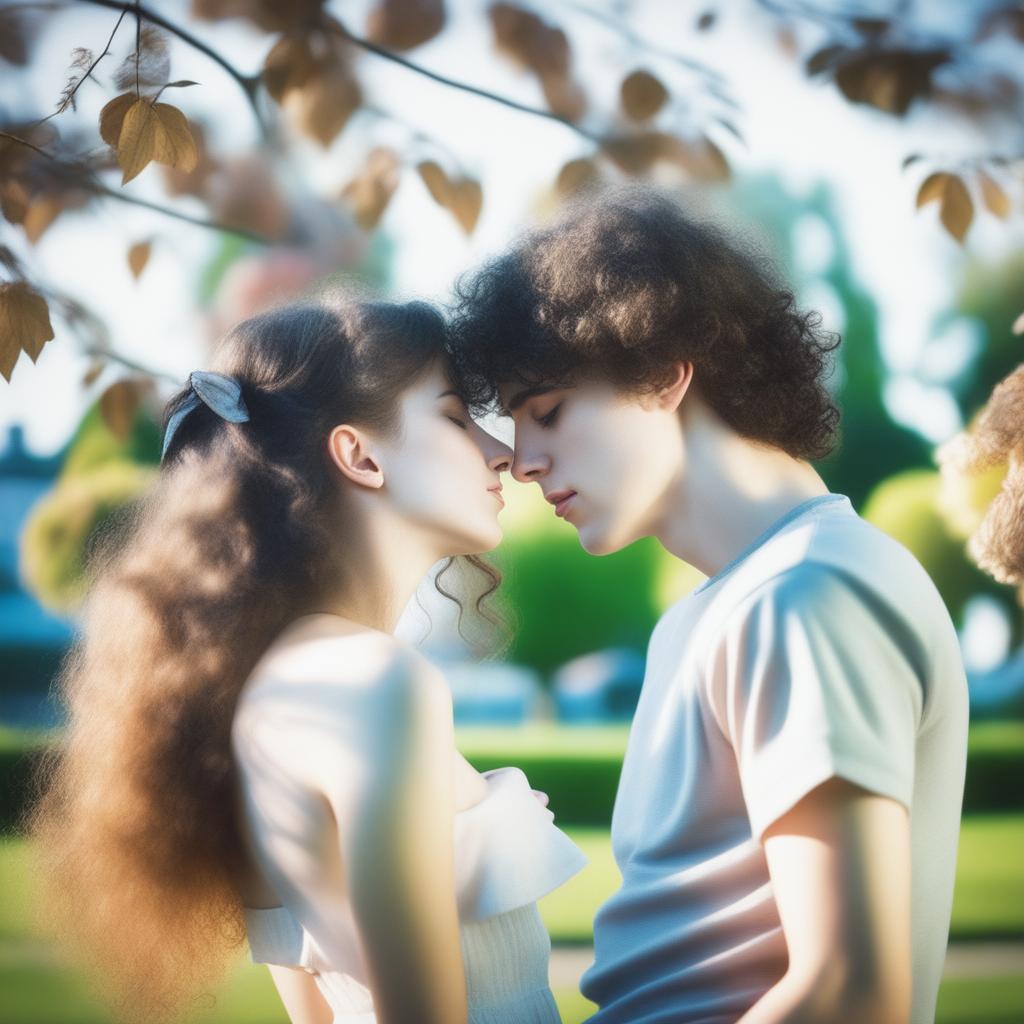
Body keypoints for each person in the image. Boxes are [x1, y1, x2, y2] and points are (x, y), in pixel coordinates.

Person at [448, 185, 969, 1024]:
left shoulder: (806, 592)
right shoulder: (719, 608)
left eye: (545, 411)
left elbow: (852, 994)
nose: (522, 461)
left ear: (662, 374)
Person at [26, 295, 587, 1024]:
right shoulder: (376, 684)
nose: (502, 453)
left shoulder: (263, 691)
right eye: (454, 417)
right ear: (360, 454)